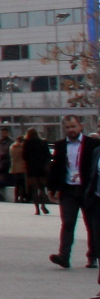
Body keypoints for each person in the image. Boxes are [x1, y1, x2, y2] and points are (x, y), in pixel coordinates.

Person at [51, 115, 96, 268]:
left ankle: (93, 257)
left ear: (80, 126)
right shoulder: (60, 145)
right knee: (68, 223)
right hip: (68, 190)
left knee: (92, 225)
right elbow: (56, 168)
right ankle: (64, 256)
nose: (71, 130)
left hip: (87, 190)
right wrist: (53, 188)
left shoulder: (93, 144)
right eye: (68, 127)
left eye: (73, 126)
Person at [23, 128, 52, 216]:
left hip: (31, 168)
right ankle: (43, 205)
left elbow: (24, 156)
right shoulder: (43, 142)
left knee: (34, 189)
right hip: (42, 168)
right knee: (42, 188)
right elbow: (48, 155)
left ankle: (37, 209)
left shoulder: (27, 143)